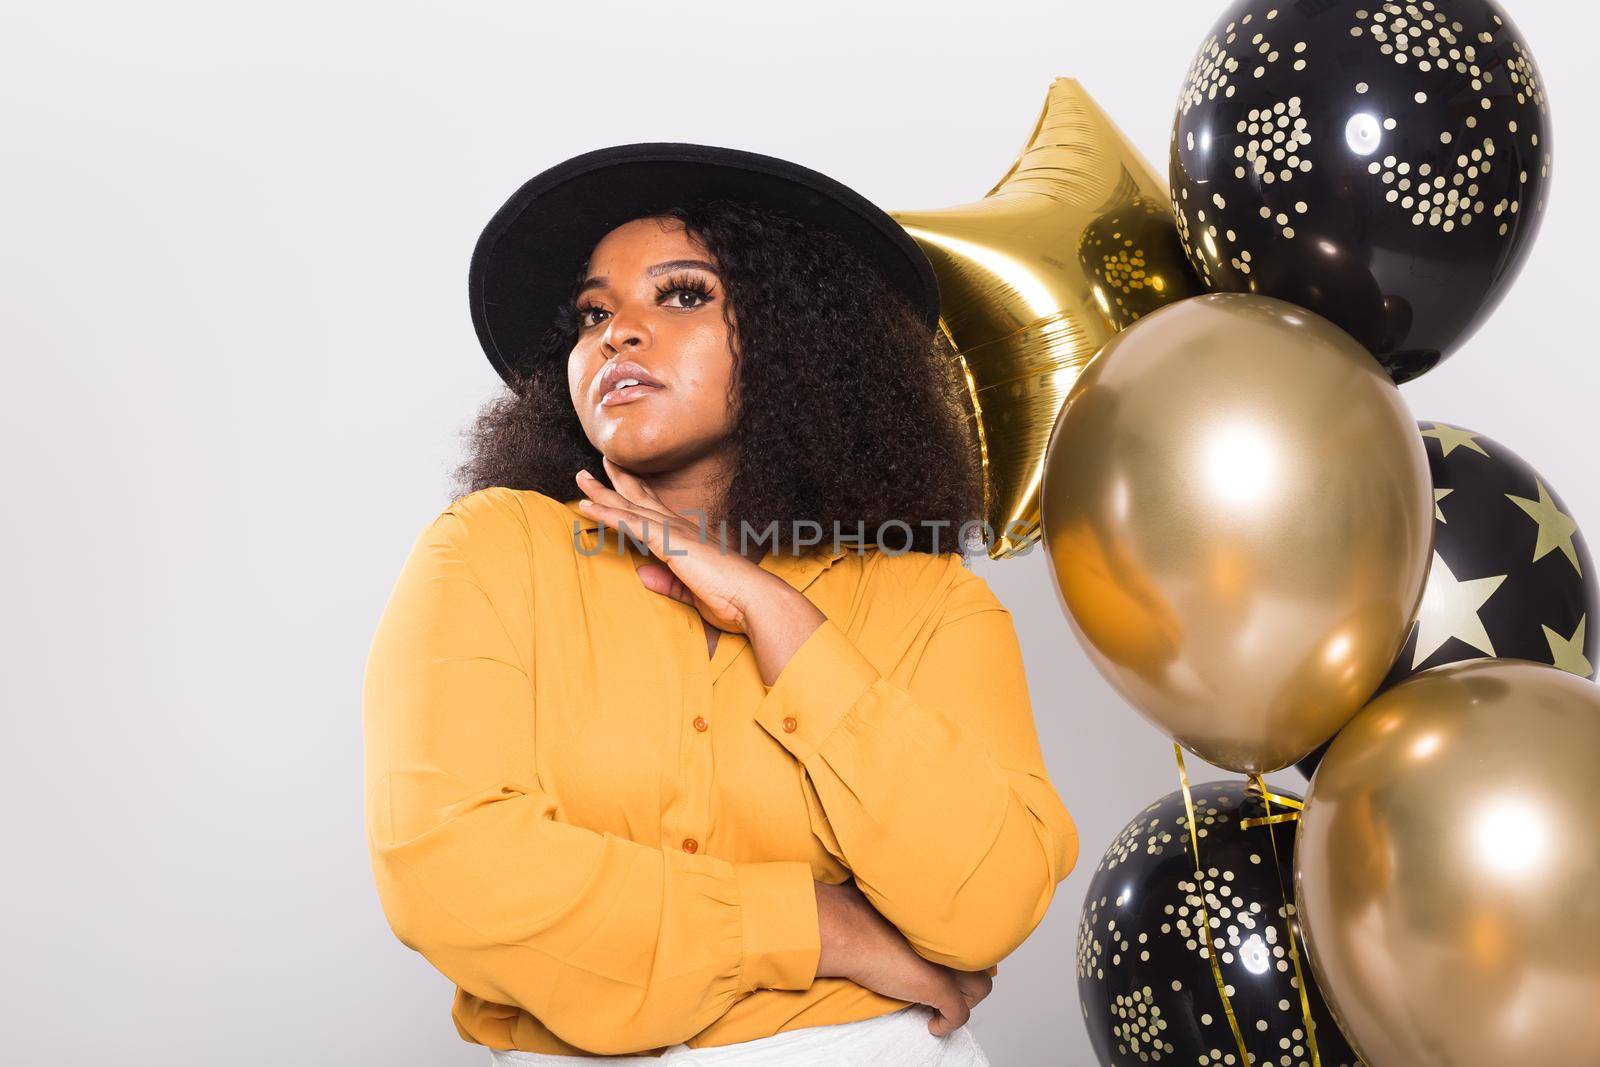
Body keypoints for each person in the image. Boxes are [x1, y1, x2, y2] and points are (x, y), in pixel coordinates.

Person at [361, 143, 1079, 1064]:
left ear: (795, 334)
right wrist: (825, 926)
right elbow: (447, 874)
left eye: (684, 293)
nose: (618, 331)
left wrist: (775, 613)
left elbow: (986, 903)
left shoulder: (932, 599)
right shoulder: (490, 550)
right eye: (592, 312)